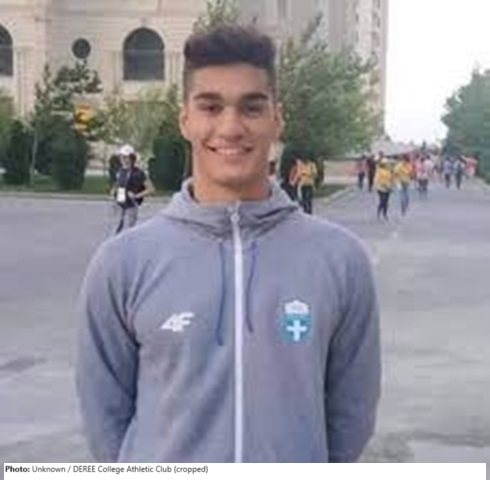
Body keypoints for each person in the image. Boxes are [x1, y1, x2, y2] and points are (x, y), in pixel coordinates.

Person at [77, 24, 380, 464]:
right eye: (211, 106)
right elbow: (104, 416)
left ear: (277, 118)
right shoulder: (123, 263)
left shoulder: (340, 260)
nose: (231, 127)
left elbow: (350, 415)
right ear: (185, 119)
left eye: (251, 107)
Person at [110, 144, 155, 234]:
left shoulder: (138, 173)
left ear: (132, 158)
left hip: (131, 205)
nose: (123, 160)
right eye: (122, 157)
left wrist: (137, 195)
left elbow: (151, 189)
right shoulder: (120, 171)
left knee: (128, 231)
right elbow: (119, 183)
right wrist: (114, 190)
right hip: (119, 204)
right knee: (115, 230)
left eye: (126, 157)